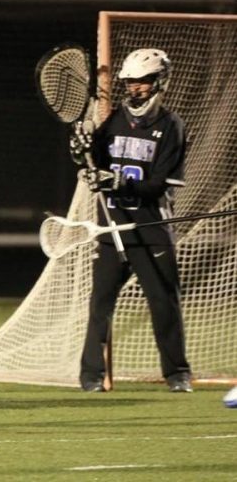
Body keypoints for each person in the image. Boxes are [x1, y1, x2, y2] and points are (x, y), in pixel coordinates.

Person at [69, 48, 192, 393]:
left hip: (150, 229)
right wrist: (81, 151)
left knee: (163, 301)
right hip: (111, 226)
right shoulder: (113, 120)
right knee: (100, 304)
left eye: (143, 81)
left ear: (159, 82)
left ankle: (177, 373)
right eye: (131, 81)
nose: (136, 88)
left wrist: (117, 181)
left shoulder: (172, 126)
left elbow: (157, 187)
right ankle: (91, 375)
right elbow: (91, 161)